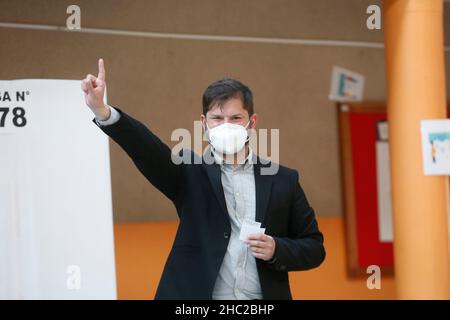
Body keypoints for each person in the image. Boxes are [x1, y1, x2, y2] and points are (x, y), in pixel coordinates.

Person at [81, 58, 325, 300]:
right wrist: (103, 112)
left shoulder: (283, 180)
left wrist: (276, 249)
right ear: (204, 124)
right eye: (217, 118)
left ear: (252, 123)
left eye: (236, 118)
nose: (226, 125)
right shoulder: (188, 171)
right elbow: (146, 149)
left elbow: (314, 248)